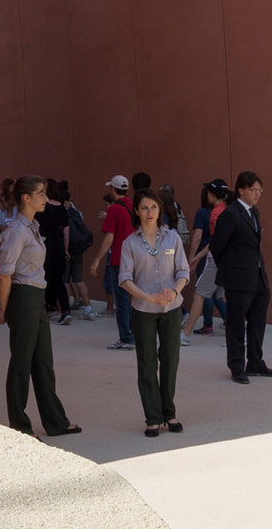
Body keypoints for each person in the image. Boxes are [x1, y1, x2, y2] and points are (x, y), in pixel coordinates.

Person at [0, 176, 80, 437]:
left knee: (43, 361)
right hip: (23, 298)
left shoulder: (32, 226)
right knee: (21, 362)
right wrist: (4, 309)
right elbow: (4, 273)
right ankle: (19, 425)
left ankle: (55, 421)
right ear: (26, 198)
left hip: (36, 296)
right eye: (40, 194)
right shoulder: (16, 231)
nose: (45, 198)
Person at [120, 189, 191, 436]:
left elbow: (183, 271)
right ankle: (152, 417)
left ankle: (169, 413)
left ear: (160, 209)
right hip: (143, 310)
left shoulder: (172, 239)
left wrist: (175, 290)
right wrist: (148, 297)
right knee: (147, 363)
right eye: (144, 208)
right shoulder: (129, 243)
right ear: (136, 212)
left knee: (170, 359)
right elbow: (125, 279)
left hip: (171, 308)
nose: (149, 213)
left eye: (153, 207)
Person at [212, 170, 272, 384]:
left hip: (258, 274)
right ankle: (237, 366)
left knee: (258, 321)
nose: (258, 194)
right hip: (238, 278)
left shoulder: (254, 212)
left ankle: (256, 362)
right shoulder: (230, 214)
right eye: (253, 190)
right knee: (236, 324)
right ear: (241, 190)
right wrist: (231, 270)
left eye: (260, 190)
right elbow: (217, 246)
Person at [88, 175, 139, 348]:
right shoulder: (133, 205)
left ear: (112, 189)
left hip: (118, 259)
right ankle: (135, 333)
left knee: (121, 299)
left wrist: (96, 261)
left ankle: (125, 337)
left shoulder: (114, 209)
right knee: (133, 298)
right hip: (135, 258)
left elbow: (109, 237)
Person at [183, 179, 227, 339]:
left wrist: (193, 257)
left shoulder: (214, 213)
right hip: (222, 258)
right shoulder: (226, 209)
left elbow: (201, 237)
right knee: (221, 295)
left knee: (200, 294)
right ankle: (239, 331)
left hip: (216, 259)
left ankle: (186, 334)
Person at [37, 182, 75, 324]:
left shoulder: (42, 208)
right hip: (58, 245)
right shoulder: (61, 208)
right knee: (57, 279)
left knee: (46, 278)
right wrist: (65, 249)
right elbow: (66, 230)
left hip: (45, 246)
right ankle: (64, 310)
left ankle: (49, 308)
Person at [61, 182, 96, 320]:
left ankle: (65, 309)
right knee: (79, 280)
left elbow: (66, 232)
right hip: (78, 250)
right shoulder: (77, 213)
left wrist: (65, 250)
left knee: (65, 281)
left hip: (68, 250)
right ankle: (88, 309)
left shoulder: (63, 214)